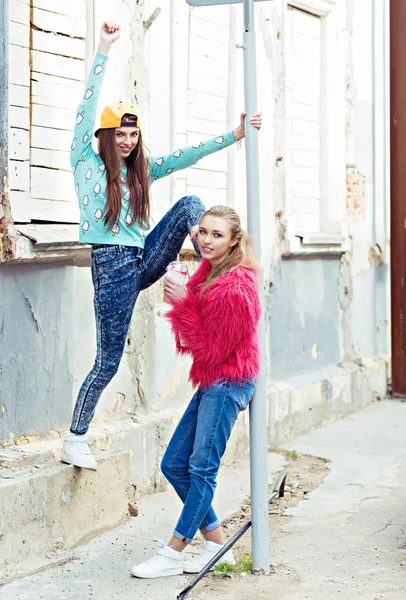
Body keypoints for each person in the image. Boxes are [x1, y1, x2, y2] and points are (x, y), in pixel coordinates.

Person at [61, 22, 262, 470]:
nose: (128, 142)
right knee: (108, 363)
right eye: (120, 135)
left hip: (143, 258)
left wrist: (233, 136)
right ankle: (75, 438)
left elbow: (181, 157)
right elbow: (86, 104)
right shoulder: (84, 162)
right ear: (104, 137)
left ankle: (205, 265)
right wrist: (103, 48)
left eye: (133, 135)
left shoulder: (141, 171)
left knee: (191, 202)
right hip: (111, 270)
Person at [131, 205, 261, 578]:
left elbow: (210, 349)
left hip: (228, 381)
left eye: (217, 235)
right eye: (202, 231)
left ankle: (174, 553)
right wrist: (187, 290)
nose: (206, 240)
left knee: (201, 470)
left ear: (235, 240)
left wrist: (182, 301)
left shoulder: (236, 287)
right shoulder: (213, 266)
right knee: (174, 464)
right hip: (212, 379)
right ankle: (218, 545)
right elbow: (203, 337)